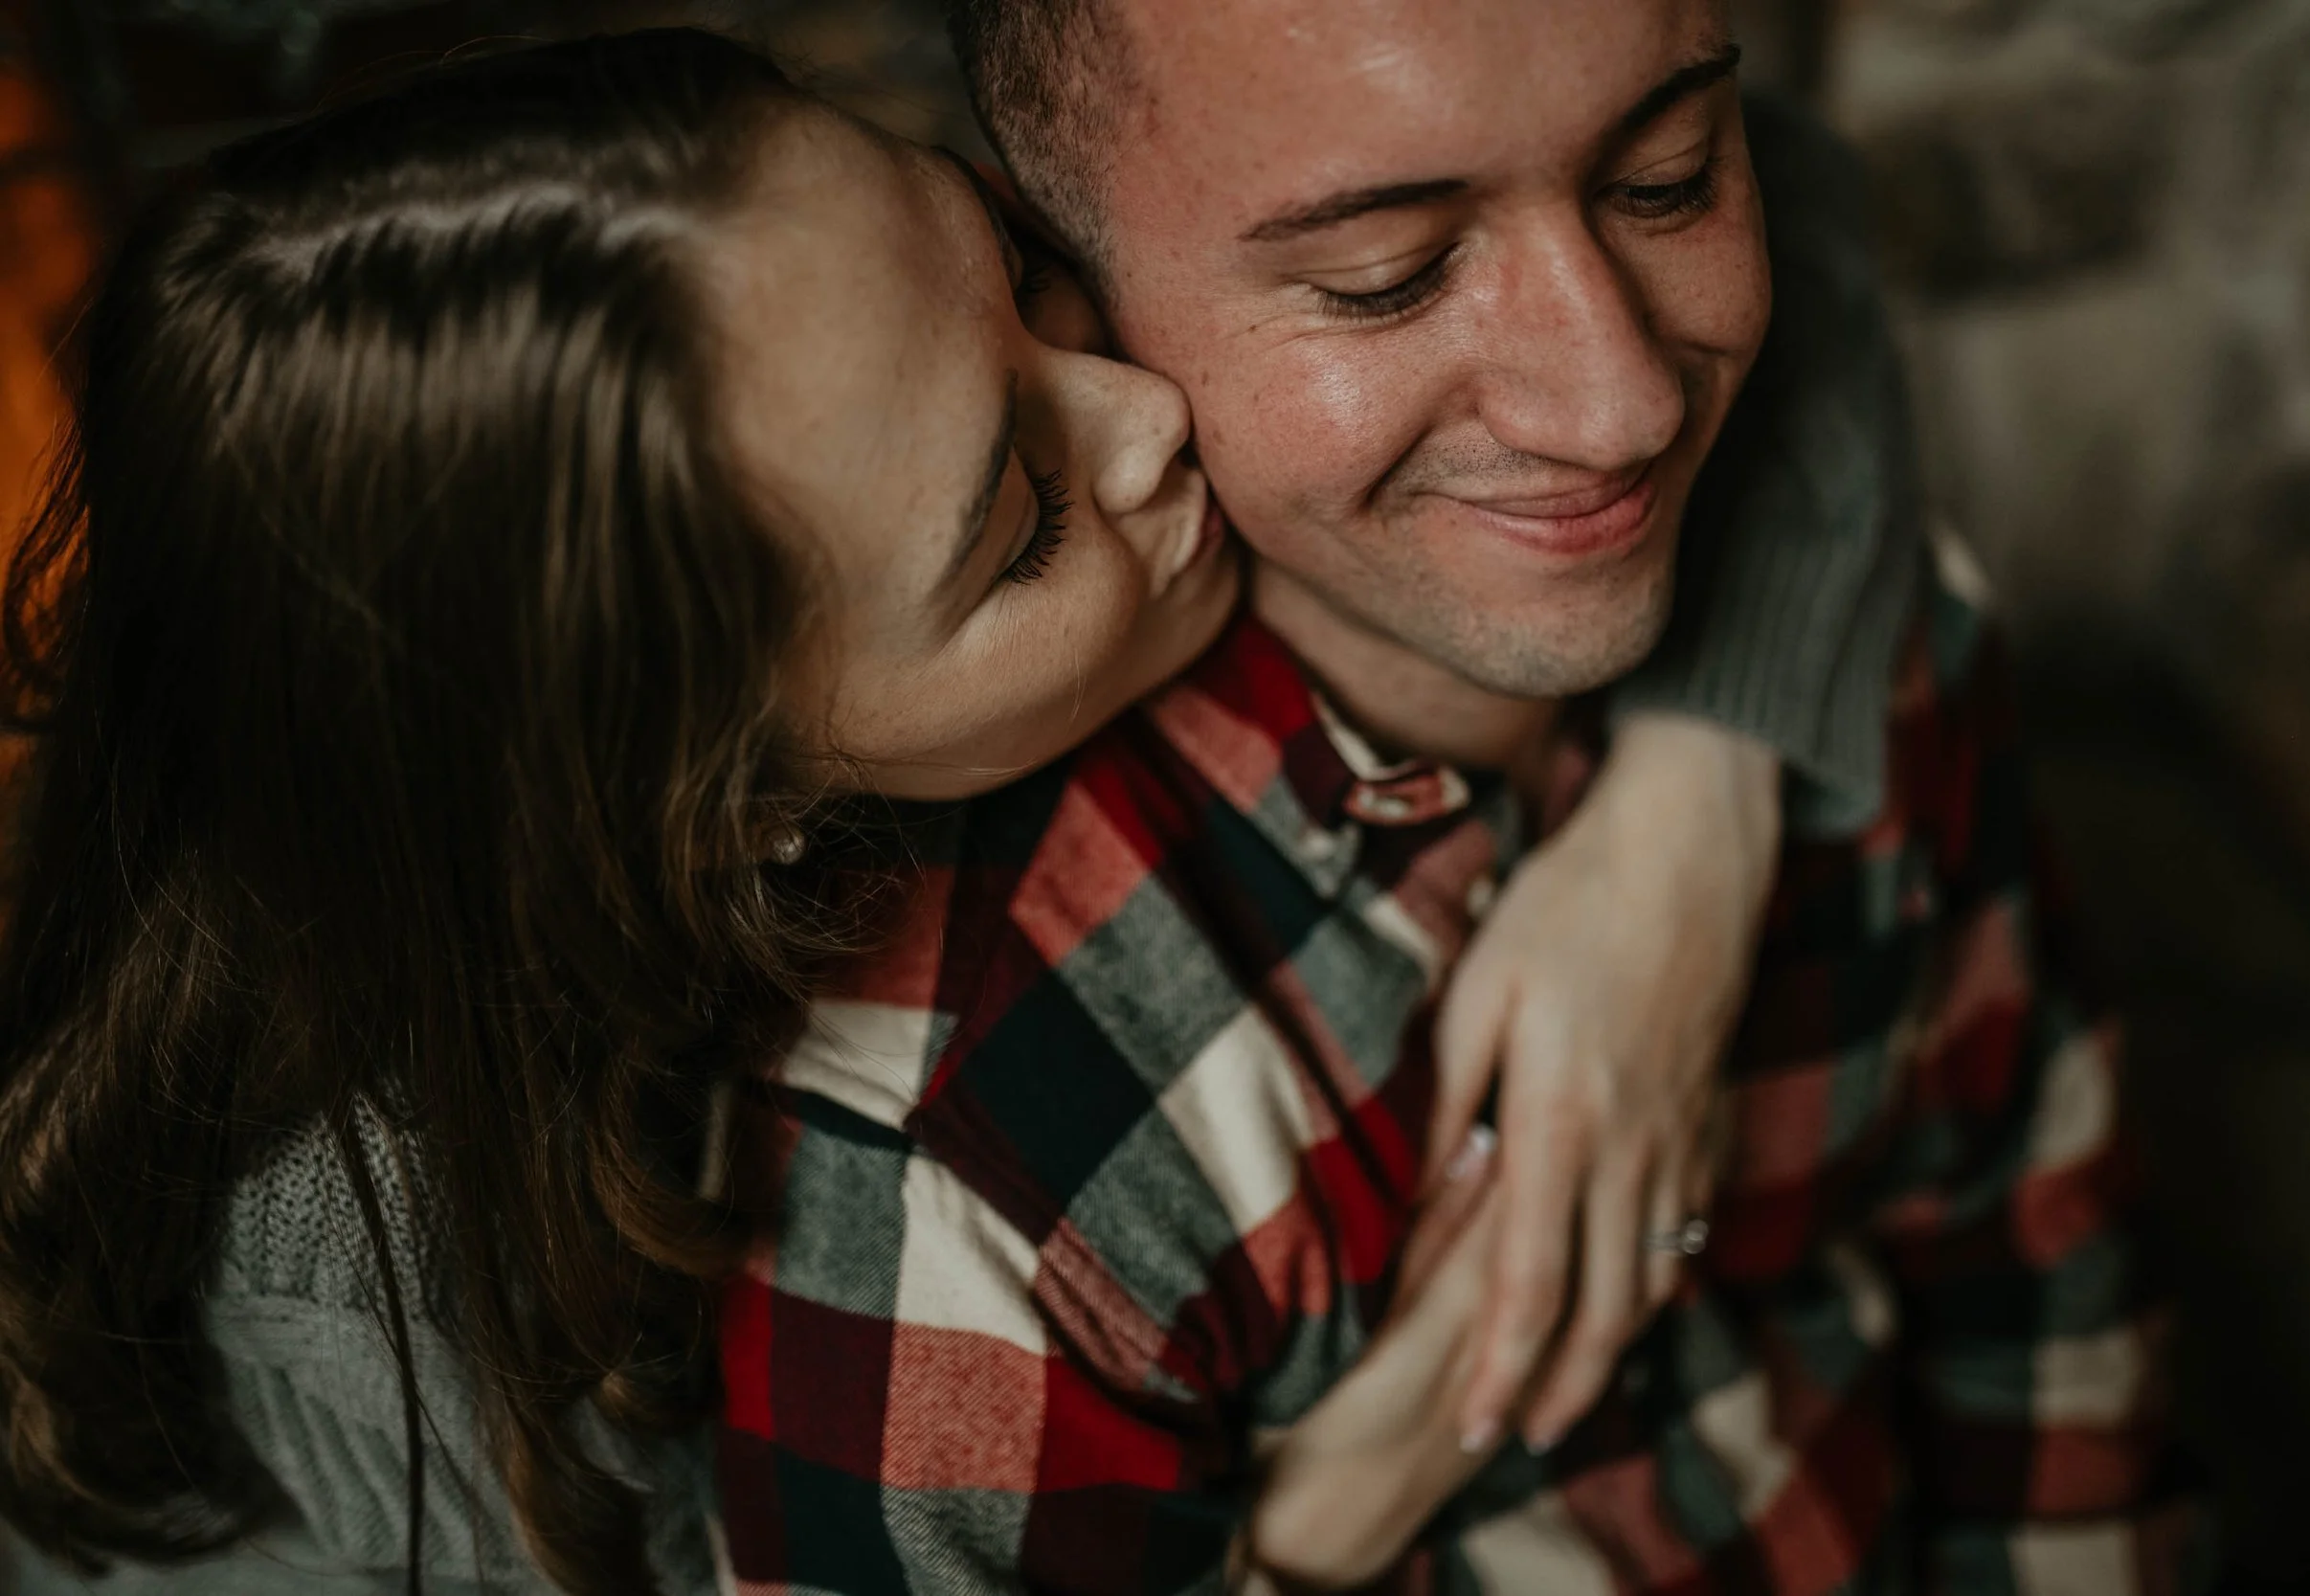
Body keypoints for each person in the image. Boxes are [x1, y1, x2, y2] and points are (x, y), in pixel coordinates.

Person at [0, 26, 1901, 1596]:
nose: (1141, 417)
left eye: (1008, 266)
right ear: (733, 811)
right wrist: (1321, 1520)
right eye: (1021, 527)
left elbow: (1767, 192)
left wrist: (1687, 814)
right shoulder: (391, 1348)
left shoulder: (841, 346)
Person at [711, 0, 2207, 1589]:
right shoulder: (974, 1145)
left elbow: (2045, 1285)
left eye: (1669, 179)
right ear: (1066, 288)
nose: (1619, 403)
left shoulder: (1857, 619)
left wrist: (1718, 775)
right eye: (1388, 277)